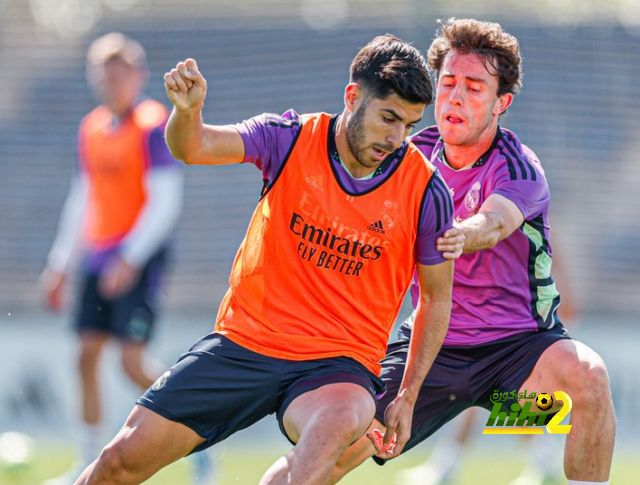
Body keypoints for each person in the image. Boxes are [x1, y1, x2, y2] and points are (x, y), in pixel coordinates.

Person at [71, 34, 459, 485]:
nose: (396, 138)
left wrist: (407, 396)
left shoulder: (426, 190)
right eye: (387, 118)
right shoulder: (291, 137)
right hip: (246, 343)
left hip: (339, 365)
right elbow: (192, 147)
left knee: (329, 437)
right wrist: (188, 112)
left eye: (409, 126)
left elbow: (436, 298)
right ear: (353, 96)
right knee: (118, 462)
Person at [330, 18, 616, 485]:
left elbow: (496, 220)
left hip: (518, 358)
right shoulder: (407, 158)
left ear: (502, 103)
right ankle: (455, 460)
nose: (456, 97)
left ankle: (525, 455)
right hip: (432, 358)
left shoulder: (520, 168)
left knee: (587, 380)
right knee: (337, 443)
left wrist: (457, 233)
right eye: (448, 84)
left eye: (475, 87)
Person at [39, 33, 215, 485]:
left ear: (137, 76)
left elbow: (164, 202)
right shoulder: (91, 128)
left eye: (122, 72)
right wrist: (61, 262)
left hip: (137, 261)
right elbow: (83, 198)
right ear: (93, 76)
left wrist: (130, 259)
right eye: (105, 71)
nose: (113, 80)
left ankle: (199, 435)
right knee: (84, 356)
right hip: (97, 260)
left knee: (131, 363)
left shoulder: (154, 123)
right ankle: (84, 459)